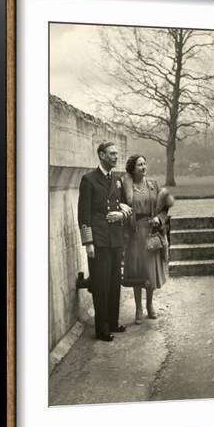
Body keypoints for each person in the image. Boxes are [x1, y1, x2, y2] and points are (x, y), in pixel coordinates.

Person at [77, 141, 132, 342]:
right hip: (99, 241)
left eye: (117, 154)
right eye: (112, 154)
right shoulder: (89, 180)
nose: (116, 157)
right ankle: (102, 329)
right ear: (101, 155)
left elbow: (125, 204)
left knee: (114, 281)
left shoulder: (117, 180)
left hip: (115, 238)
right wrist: (88, 243)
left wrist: (122, 213)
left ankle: (113, 322)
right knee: (101, 284)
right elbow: (84, 215)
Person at [122, 155, 174, 324]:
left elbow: (165, 208)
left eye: (145, 163)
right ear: (133, 168)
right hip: (135, 233)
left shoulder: (153, 184)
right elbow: (122, 208)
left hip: (151, 232)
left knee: (150, 271)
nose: (143, 167)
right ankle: (138, 308)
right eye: (139, 165)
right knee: (138, 271)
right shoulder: (127, 187)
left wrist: (159, 218)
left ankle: (150, 305)